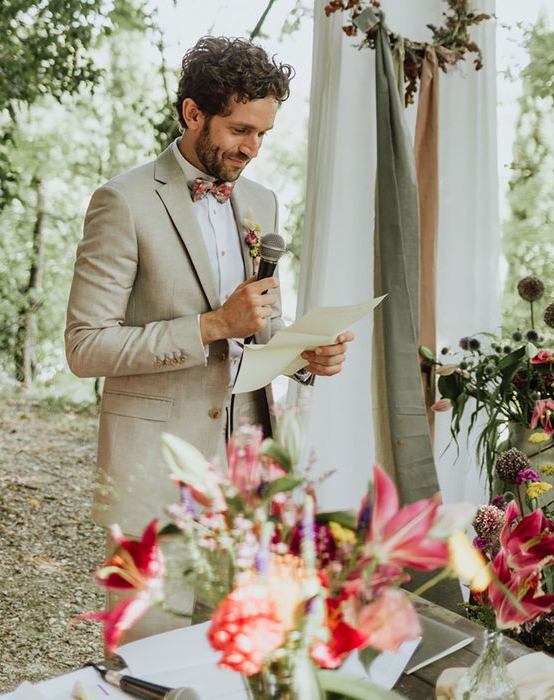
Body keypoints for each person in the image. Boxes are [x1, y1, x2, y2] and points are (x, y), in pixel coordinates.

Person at [64, 36, 353, 637]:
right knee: (147, 657)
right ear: (193, 113)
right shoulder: (122, 201)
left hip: (250, 475)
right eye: (240, 130)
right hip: (155, 471)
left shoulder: (261, 202)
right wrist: (212, 325)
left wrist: (304, 355)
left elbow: (259, 326)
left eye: (264, 135)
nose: (252, 149)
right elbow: (85, 345)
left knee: (237, 650)